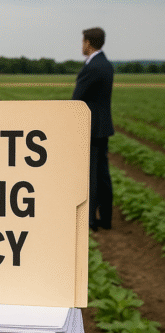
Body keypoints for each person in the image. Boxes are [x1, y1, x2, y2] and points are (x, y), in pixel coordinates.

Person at [71, 27, 114, 231]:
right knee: (103, 175)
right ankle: (105, 218)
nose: (82, 45)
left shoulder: (93, 66)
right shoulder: (105, 64)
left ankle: (90, 221)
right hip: (102, 127)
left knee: (92, 176)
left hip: (91, 128)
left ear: (88, 43)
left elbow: (78, 97)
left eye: (83, 41)